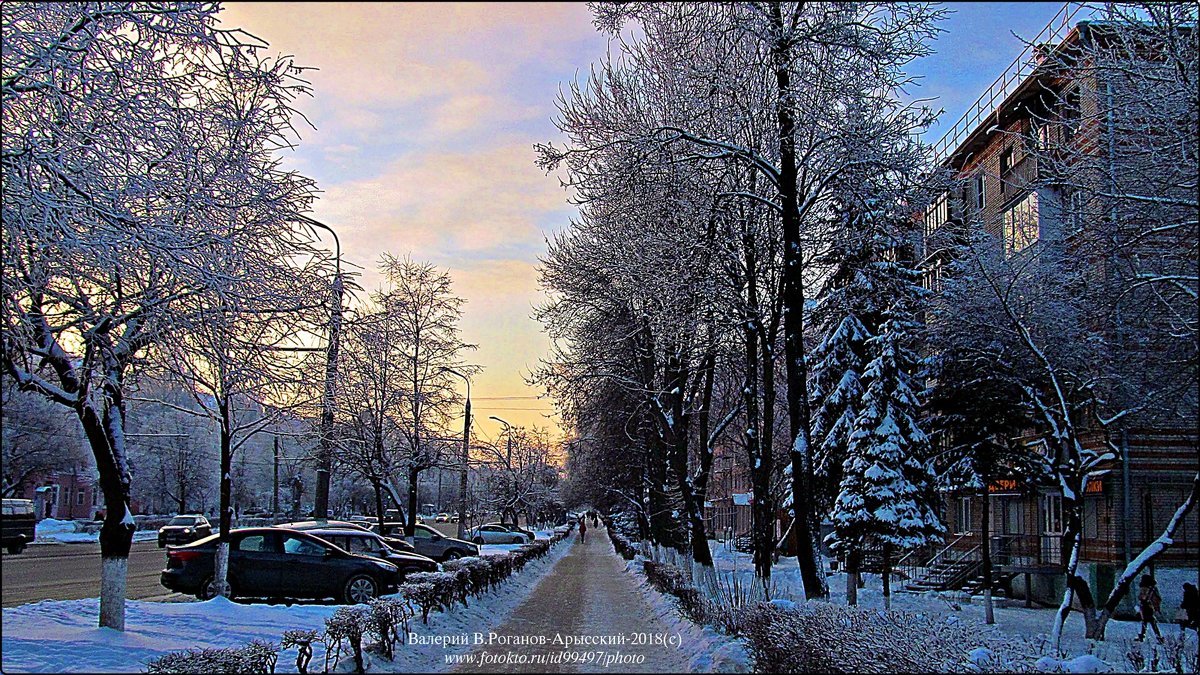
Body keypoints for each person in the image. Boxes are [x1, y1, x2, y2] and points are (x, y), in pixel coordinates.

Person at [1136, 573, 1163, 642]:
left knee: (1149, 622)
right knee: (1148, 622)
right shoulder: (1153, 588)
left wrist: (1141, 598)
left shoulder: (1144, 588)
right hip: (1150, 606)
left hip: (1145, 606)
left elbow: (1141, 597)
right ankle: (1156, 637)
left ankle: (1157, 637)